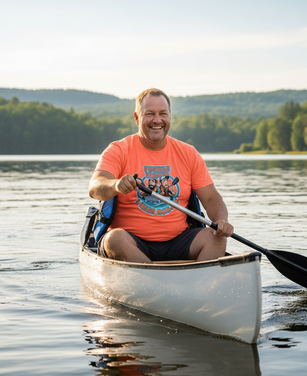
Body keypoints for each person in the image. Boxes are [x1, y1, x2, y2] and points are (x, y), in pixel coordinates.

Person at [88, 88, 234, 263]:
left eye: (163, 114)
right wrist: (116, 185)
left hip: (180, 241)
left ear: (170, 116)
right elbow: (95, 187)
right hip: (131, 242)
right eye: (149, 114)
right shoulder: (118, 150)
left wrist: (221, 220)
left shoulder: (188, 153)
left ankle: (200, 285)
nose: (157, 120)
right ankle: (155, 279)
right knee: (114, 240)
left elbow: (210, 197)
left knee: (217, 238)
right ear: (137, 118)